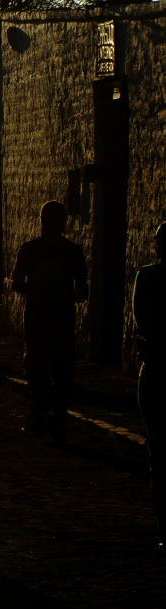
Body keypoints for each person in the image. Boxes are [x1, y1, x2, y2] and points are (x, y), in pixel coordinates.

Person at [9, 200, 88, 446]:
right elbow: (83, 288)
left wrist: (36, 290)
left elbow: (17, 283)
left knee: (44, 370)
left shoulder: (30, 250)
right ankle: (54, 419)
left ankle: (43, 415)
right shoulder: (71, 252)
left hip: (41, 318)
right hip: (56, 318)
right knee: (57, 372)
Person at [132, 222, 166, 552]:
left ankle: (163, 523)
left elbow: (140, 318)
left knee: (158, 450)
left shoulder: (147, 276)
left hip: (155, 371)